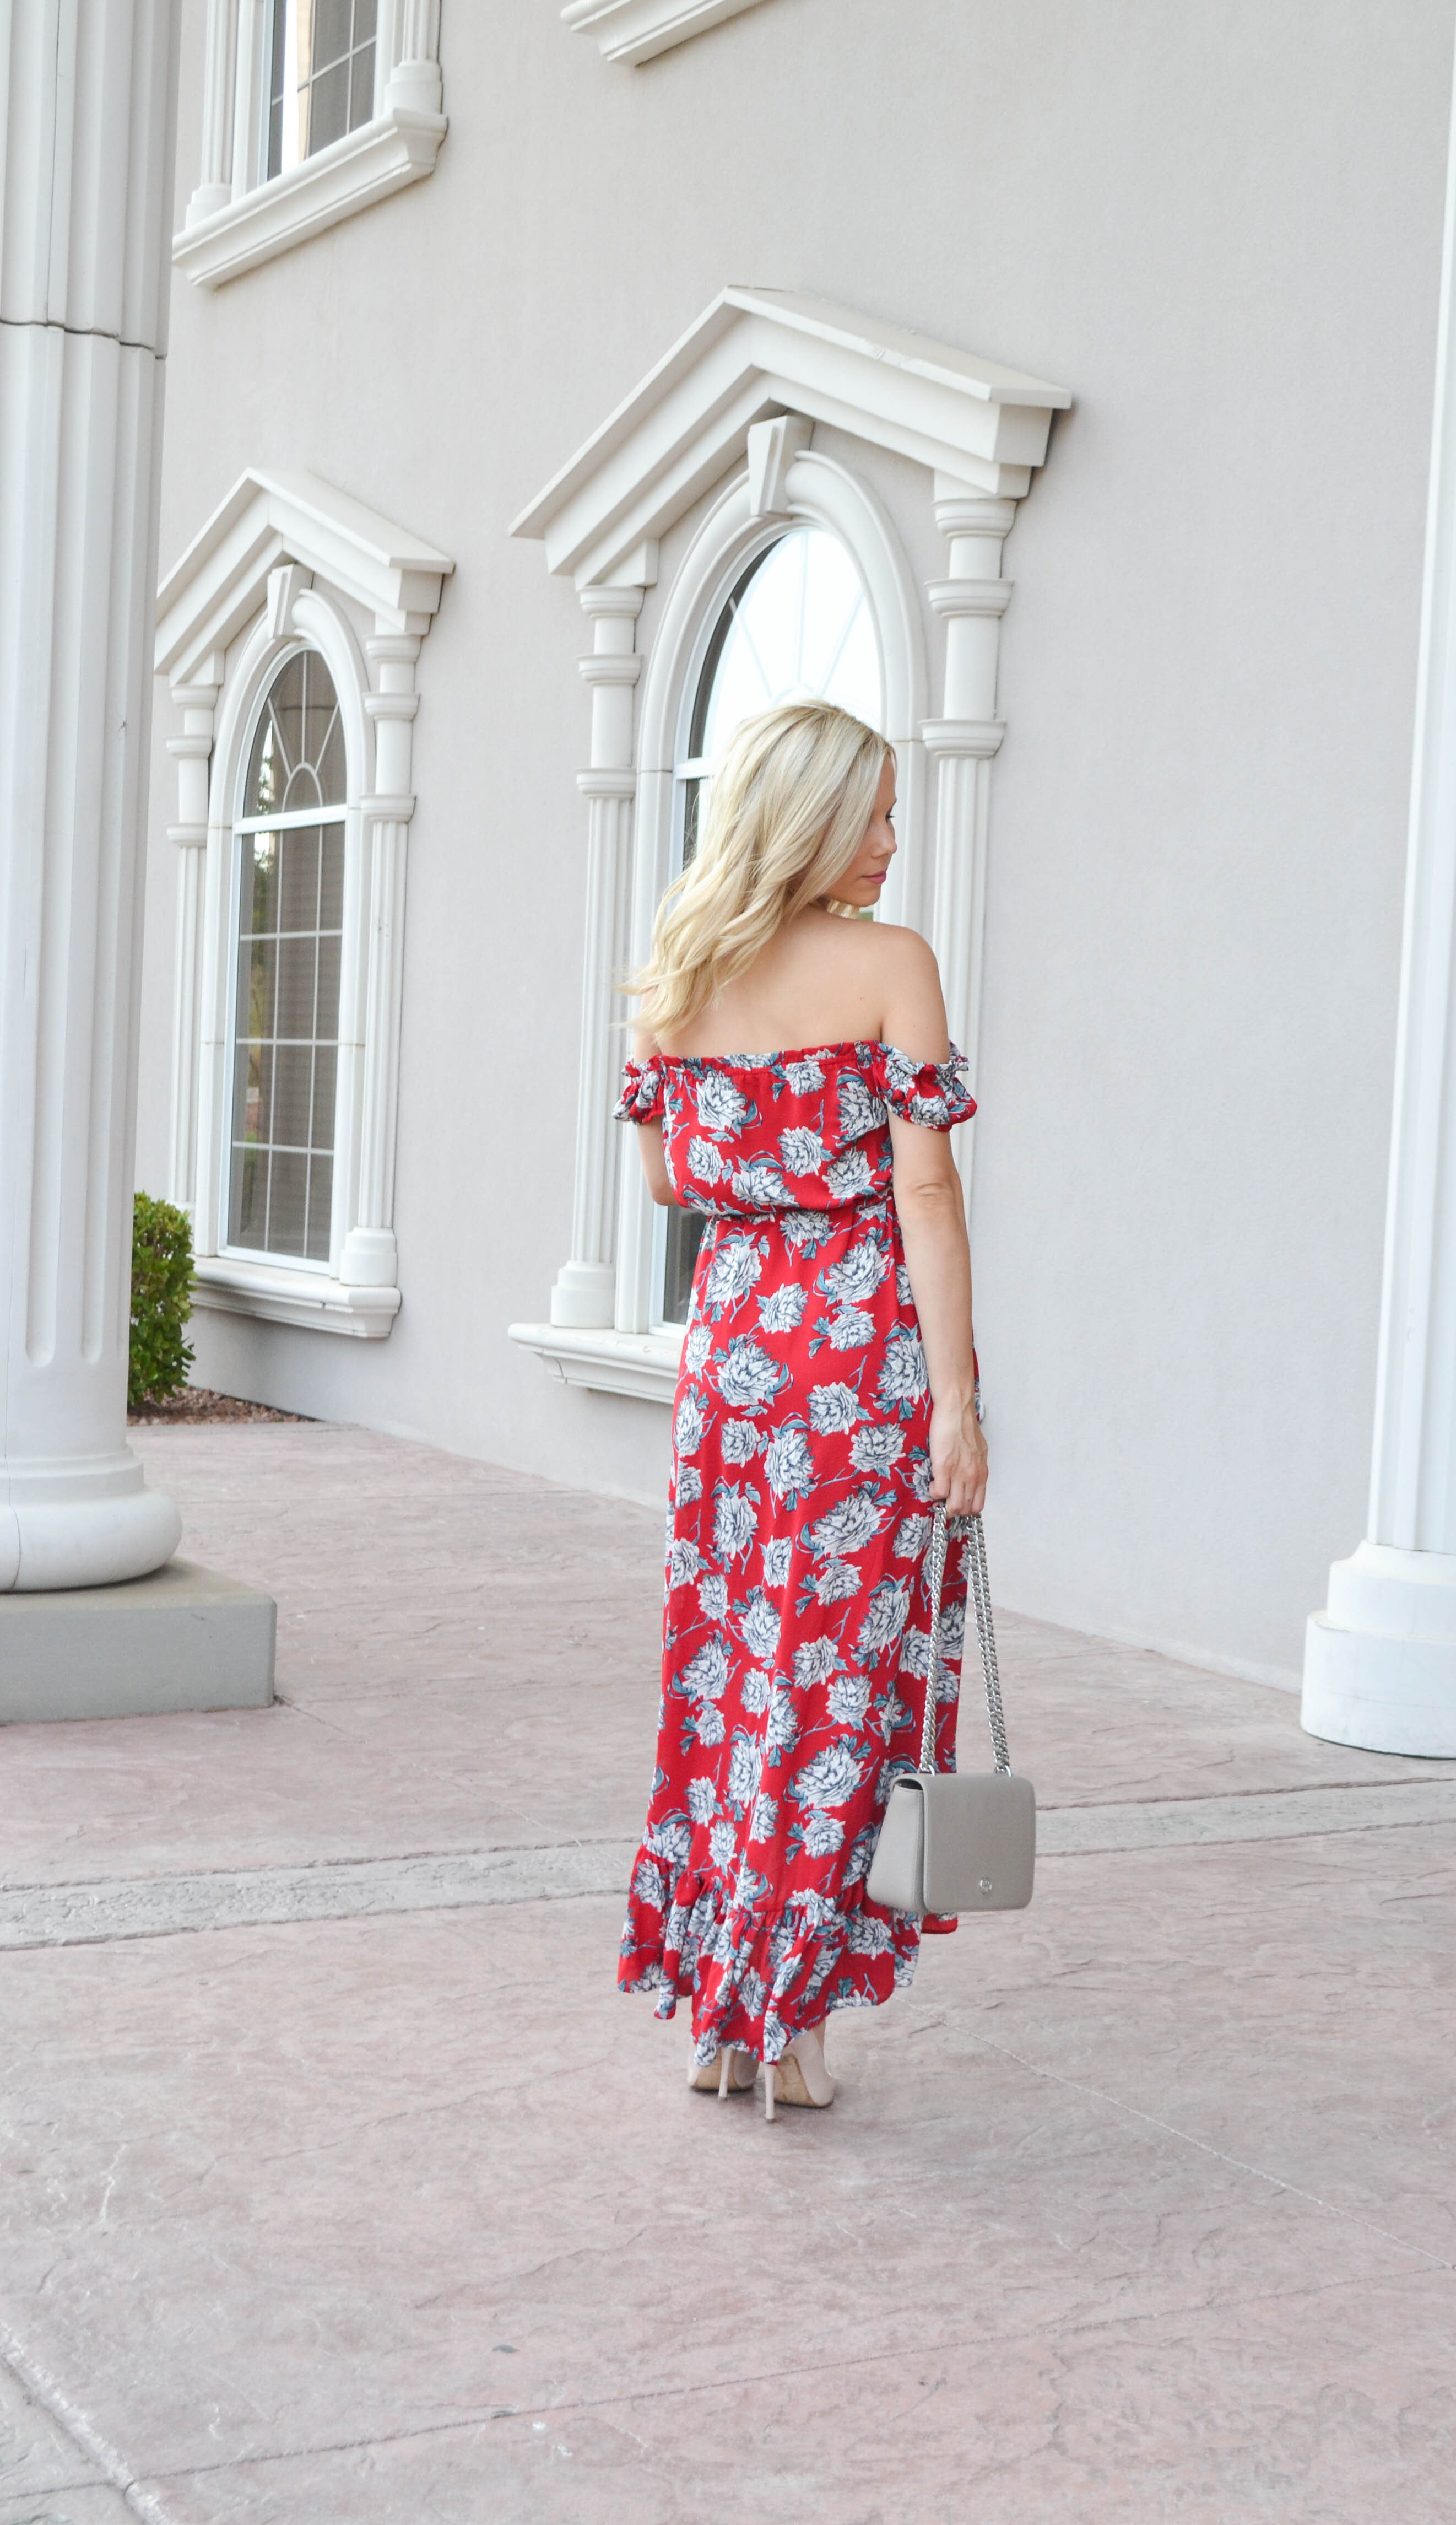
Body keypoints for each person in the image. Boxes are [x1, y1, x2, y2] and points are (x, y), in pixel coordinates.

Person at [614, 697, 987, 2120]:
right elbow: (927, 1189)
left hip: (731, 1357)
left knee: (729, 1674)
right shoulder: (892, 963)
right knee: (834, 1695)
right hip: (858, 1357)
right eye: (878, 815)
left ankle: (720, 2010)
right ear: (819, 820)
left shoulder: (678, 963)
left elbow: (661, 1181)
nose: (894, 843)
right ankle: (793, 2025)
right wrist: (955, 1403)